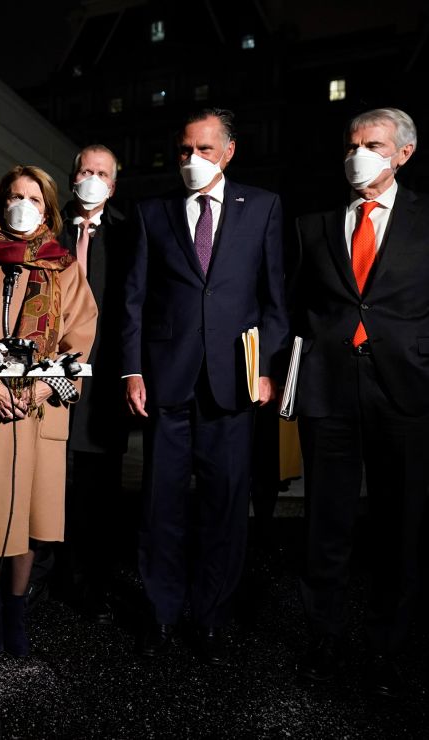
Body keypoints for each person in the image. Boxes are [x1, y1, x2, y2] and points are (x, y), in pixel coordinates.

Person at [121, 108, 289, 665]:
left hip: (233, 385)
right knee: (160, 507)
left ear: (230, 152)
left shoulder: (262, 206)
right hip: (167, 382)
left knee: (224, 506)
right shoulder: (153, 212)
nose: (192, 160)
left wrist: (261, 366)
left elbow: (274, 303)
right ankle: (162, 613)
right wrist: (133, 369)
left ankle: (211, 616)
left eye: (205, 150)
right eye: (185, 150)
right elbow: (136, 301)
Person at [292, 108, 427, 697]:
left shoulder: (426, 218)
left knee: (401, 525)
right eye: (351, 144)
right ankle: (323, 637)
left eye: (372, 144)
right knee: (327, 522)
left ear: (403, 153)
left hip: (407, 389)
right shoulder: (315, 224)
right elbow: (299, 305)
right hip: (330, 389)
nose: (358, 154)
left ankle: (388, 647)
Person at [0, 165, 97, 656]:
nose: (22, 205)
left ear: (48, 211)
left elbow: (80, 337)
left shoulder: (64, 266)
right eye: (14, 196)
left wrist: (46, 386)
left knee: (28, 521)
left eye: (34, 199)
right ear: (0, 202)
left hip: (39, 408)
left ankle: (15, 614)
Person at [59, 145, 135, 624]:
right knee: (52, 484)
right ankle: (44, 579)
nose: (92, 178)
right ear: (73, 178)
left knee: (99, 492)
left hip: (105, 381)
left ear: (113, 183)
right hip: (52, 375)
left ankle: (93, 585)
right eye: (85, 170)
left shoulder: (129, 234)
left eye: (102, 172)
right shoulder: (47, 225)